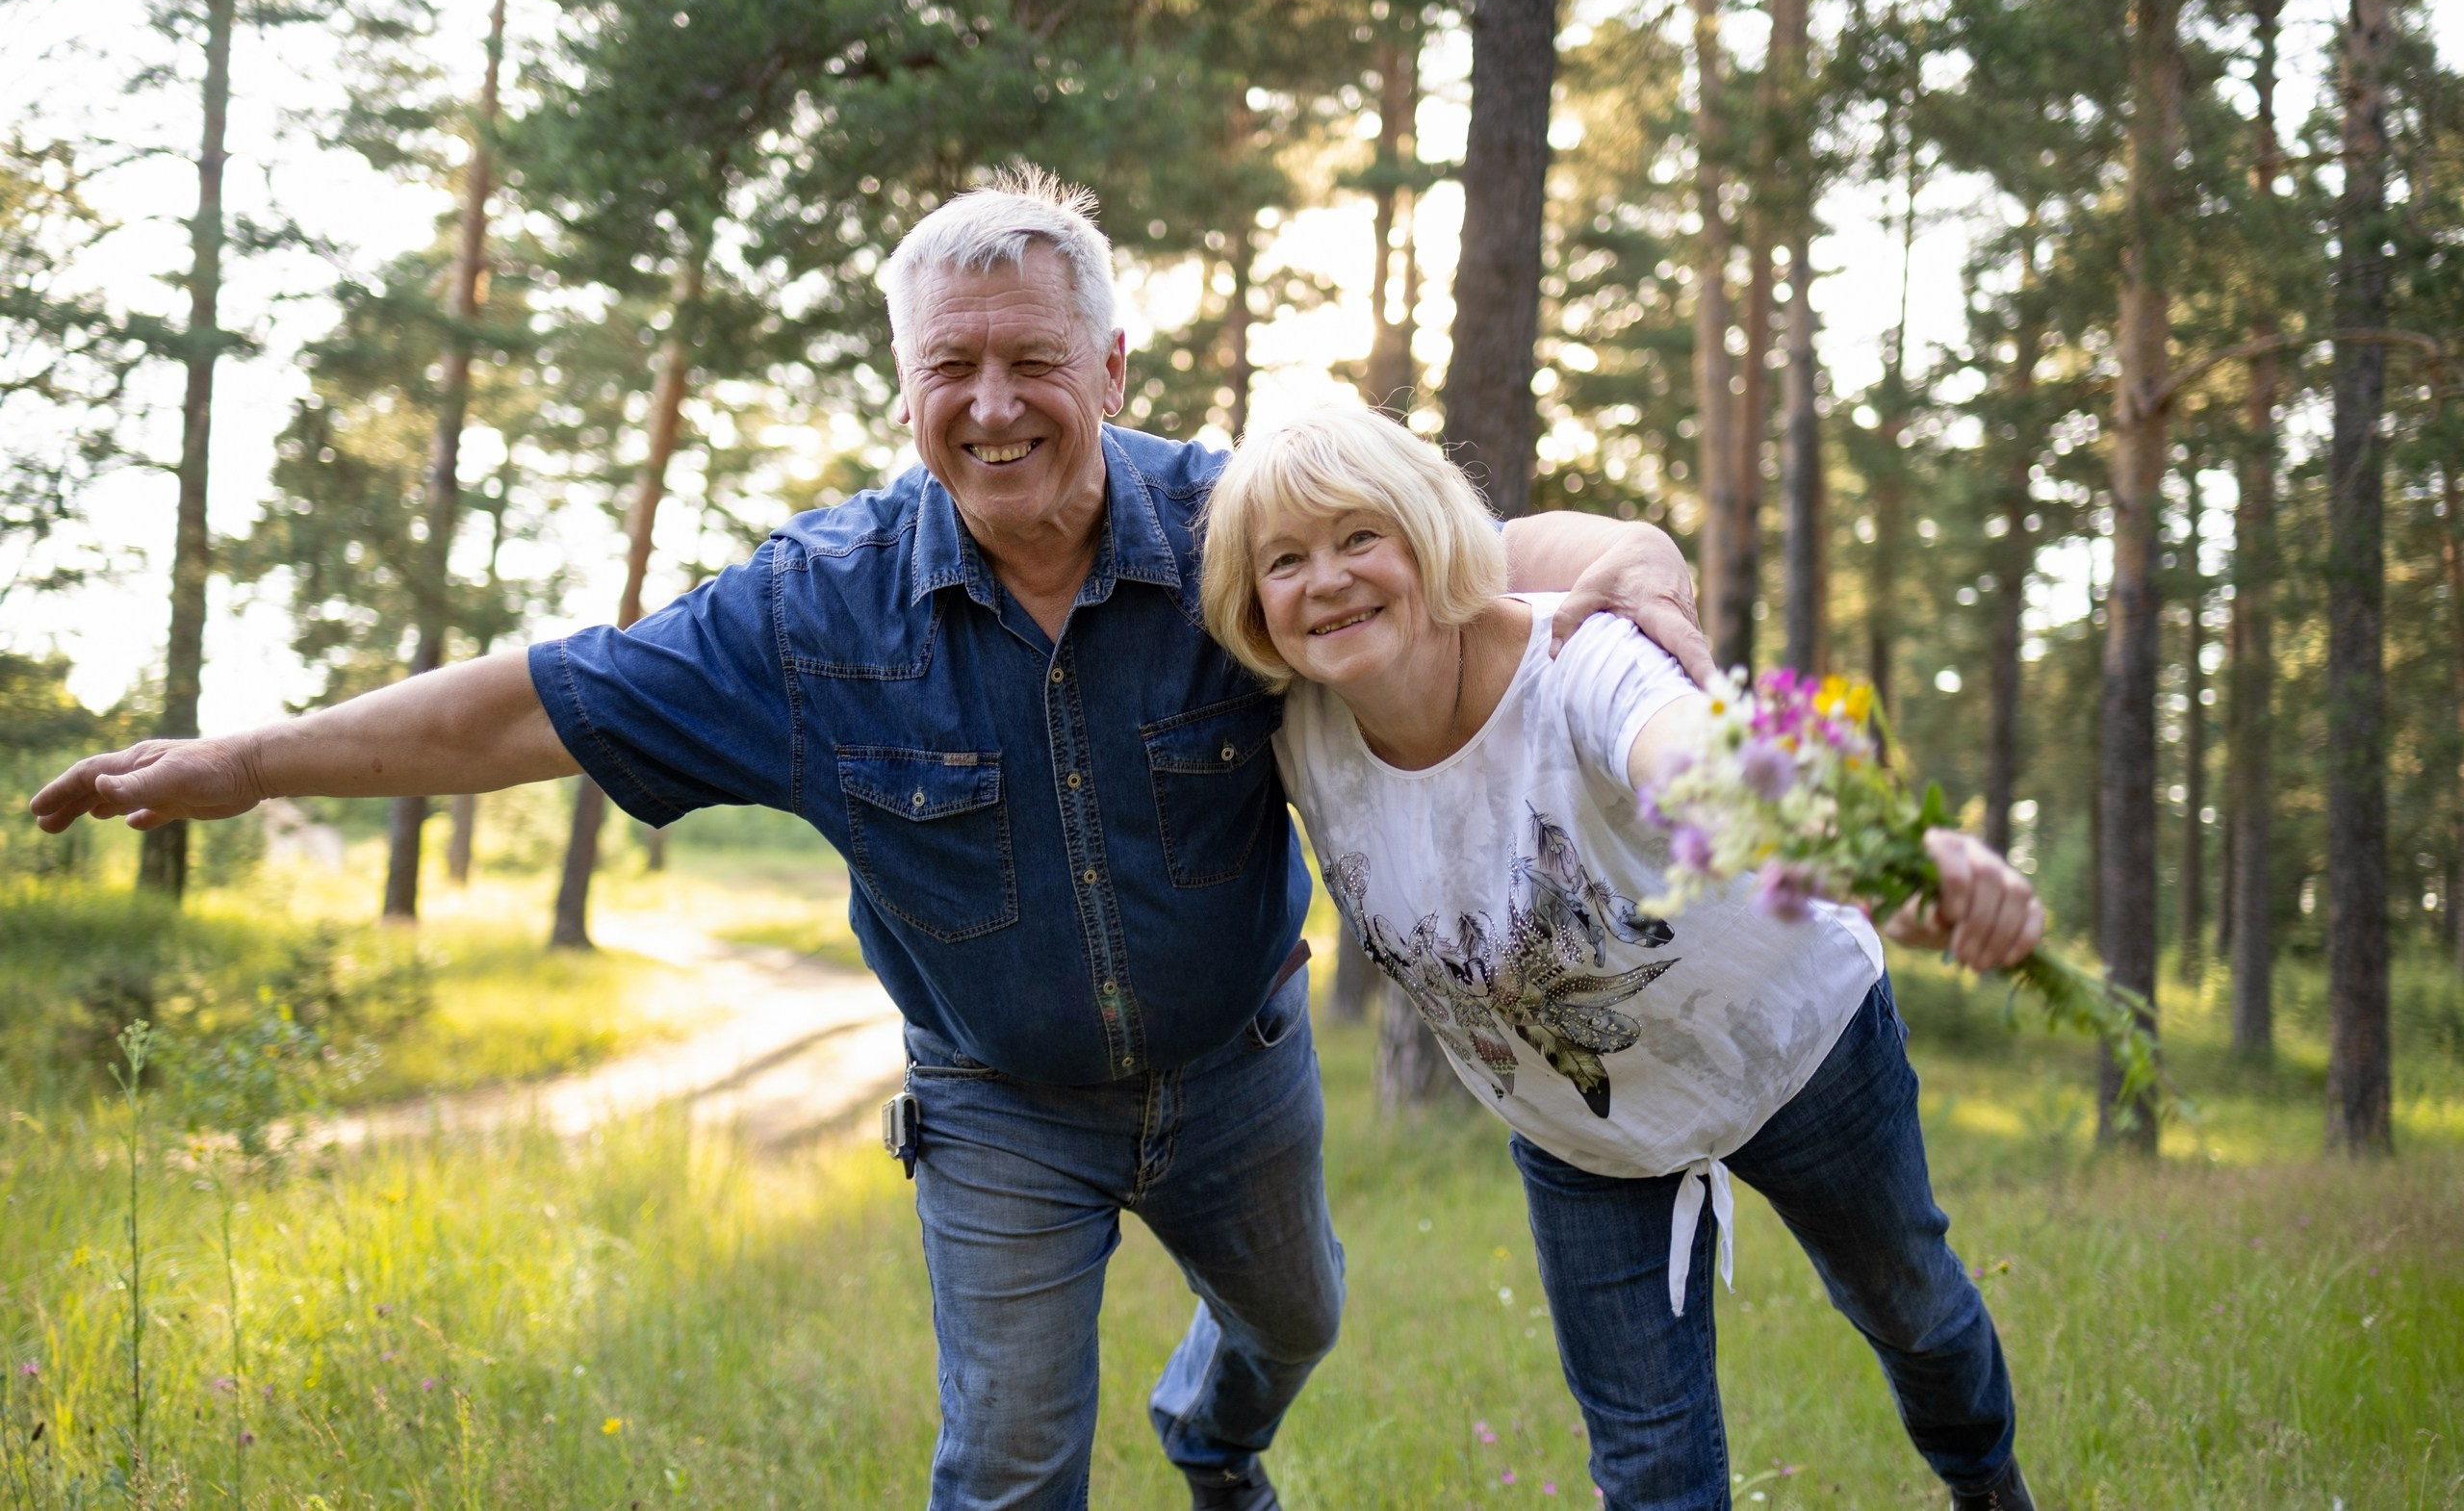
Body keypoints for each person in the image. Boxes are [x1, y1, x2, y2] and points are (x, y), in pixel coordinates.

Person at [30, 173, 1713, 1511]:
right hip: (995, 1105)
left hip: (1238, 1066)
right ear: (906, 386)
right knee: (1004, 1469)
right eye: (951, 368)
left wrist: (1627, 550)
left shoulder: (1235, 529)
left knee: (1296, 1322)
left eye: (1033, 362)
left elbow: (1453, 549)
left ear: (1112, 371)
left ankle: (1212, 1439)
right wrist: (255, 758)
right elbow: (529, 706)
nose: (993, 405)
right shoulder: (814, 612)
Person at [1195, 405, 2042, 1511]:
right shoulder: (1289, 728)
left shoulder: (1579, 657)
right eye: (1286, 560)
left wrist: (1878, 856)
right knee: (1647, 1463)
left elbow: (1702, 765)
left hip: (1796, 1047)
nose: (1329, 580)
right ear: (1252, 600)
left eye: (1362, 537)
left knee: (1917, 1314)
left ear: (1434, 539)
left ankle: (1986, 1485)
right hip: (1583, 1135)